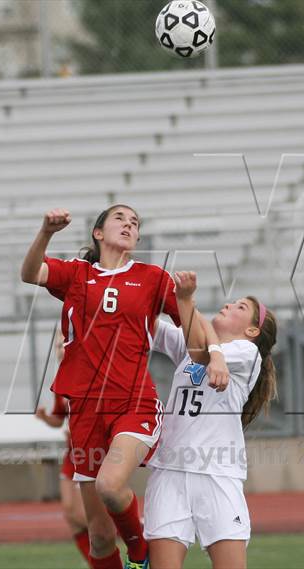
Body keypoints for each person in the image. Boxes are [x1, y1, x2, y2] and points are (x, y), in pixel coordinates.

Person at [21, 205, 181, 569]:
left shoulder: (152, 277)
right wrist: (46, 232)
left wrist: (215, 354)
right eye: (120, 218)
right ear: (97, 233)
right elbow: (29, 273)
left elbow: (189, 318)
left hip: (133, 401)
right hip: (86, 410)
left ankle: (140, 555)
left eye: (135, 222)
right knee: (98, 534)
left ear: (137, 239)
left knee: (110, 485)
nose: (129, 224)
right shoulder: (76, 274)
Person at [144, 271, 277, 569]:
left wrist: (186, 300)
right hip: (169, 470)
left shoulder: (247, 353)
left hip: (217, 473)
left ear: (253, 331)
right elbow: (146, 325)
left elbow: (200, 352)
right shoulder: (192, 341)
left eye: (241, 307)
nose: (229, 305)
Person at [36, 330, 90, 566]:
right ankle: (96, 562)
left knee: (84, 516)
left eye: (64, 344)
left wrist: (81, 431)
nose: (60, 350)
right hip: (72, 453)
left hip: (90, 453)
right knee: (70, 515)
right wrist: (46, 419)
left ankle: (133, 532)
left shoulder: (88, 377)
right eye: (57, 346)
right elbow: (60, 418)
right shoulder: (61, 381)